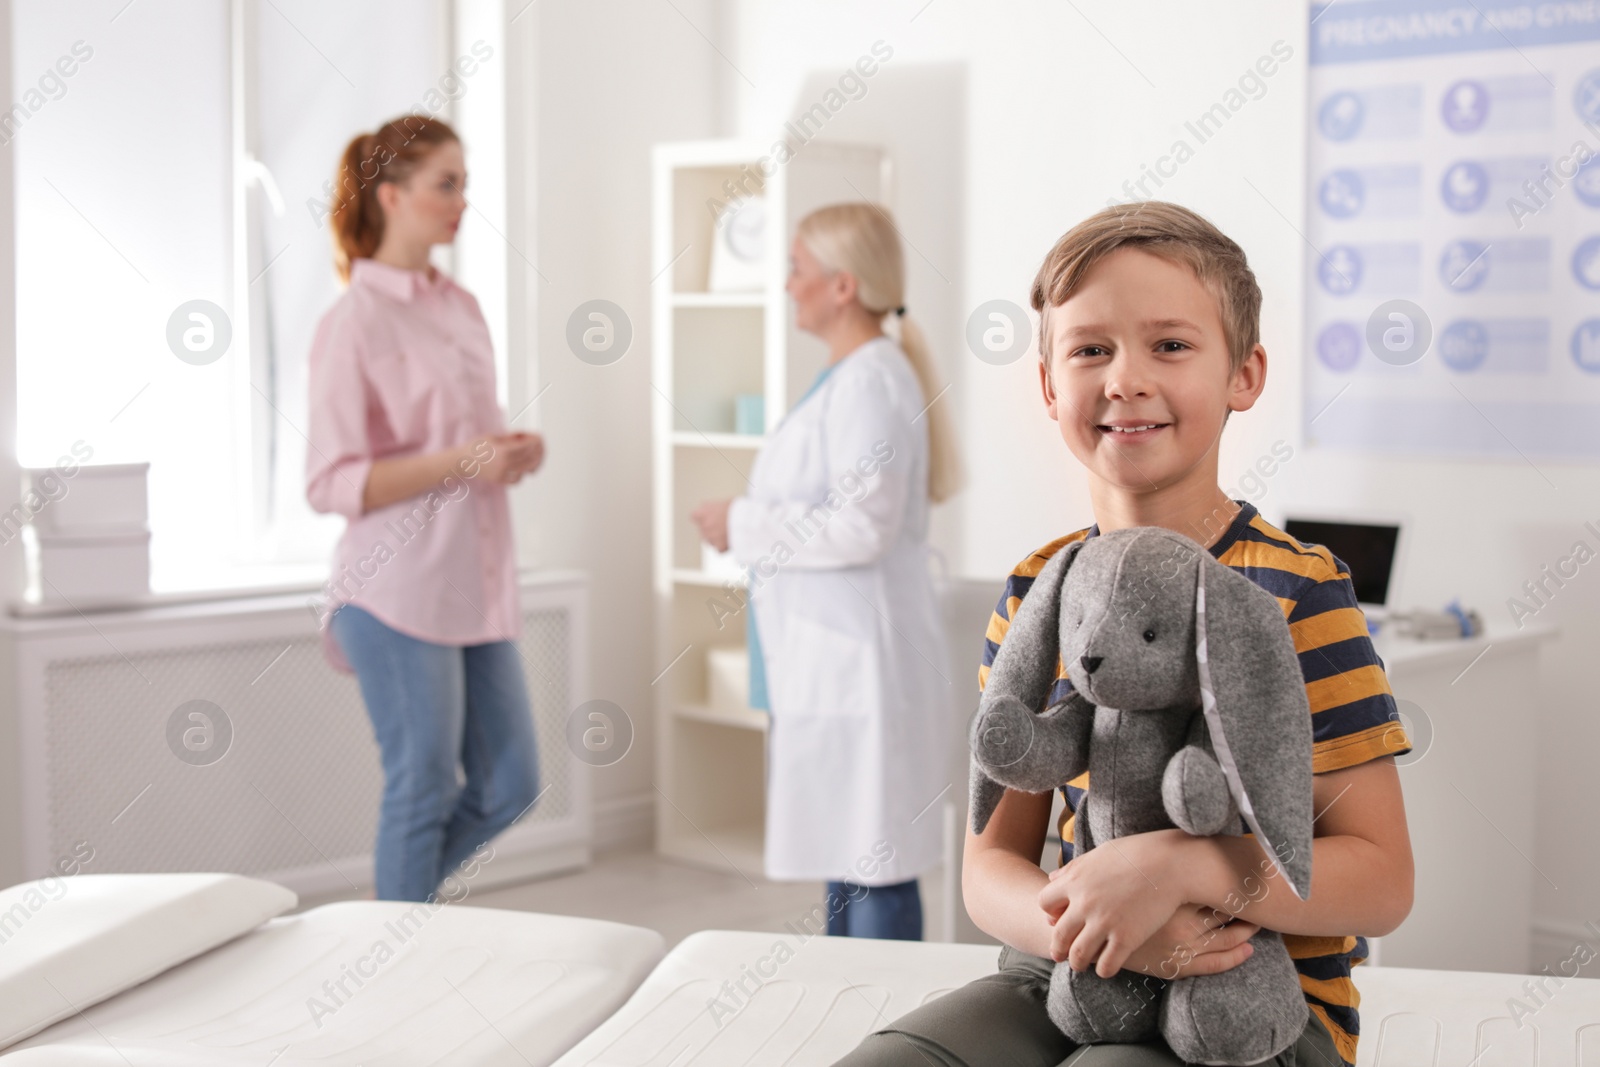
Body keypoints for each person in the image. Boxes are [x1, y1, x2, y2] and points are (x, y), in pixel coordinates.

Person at [834, 202, 1415, 1064]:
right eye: (1090, 349)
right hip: (1069, 969)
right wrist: (1100, 931)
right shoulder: (1037, 589)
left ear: (1244, 375)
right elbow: (991, 863)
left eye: (1170, 346)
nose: (1124, 379)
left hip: (1258, 1000)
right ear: (1047, 384)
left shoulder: (1302, 592)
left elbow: (1382, 878)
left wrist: (1183, 872)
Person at [690, 202, 964, 940]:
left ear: (842, 286)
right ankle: (850, 1027)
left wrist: (742, 522)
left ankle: (886, 1037)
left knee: (874, 863)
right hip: (835, 659)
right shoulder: (852, 377)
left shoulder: (870, 382)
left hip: (861, 662)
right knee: (849, 855)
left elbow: (863, 524)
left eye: (796, 269)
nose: (786, 285)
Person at [305, 114, 545, 903]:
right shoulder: (352, 322)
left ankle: (390, 924)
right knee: (420, 788)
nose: (461, 202)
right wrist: (464, 460)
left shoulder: (462, 307)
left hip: (471, 587)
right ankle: (397, 959)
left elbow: (464, 446)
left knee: (513, 782)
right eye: (447, 184)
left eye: (465, 185)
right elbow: (331, 481)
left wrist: (505, 455)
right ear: (391, 194)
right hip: (394, 589)